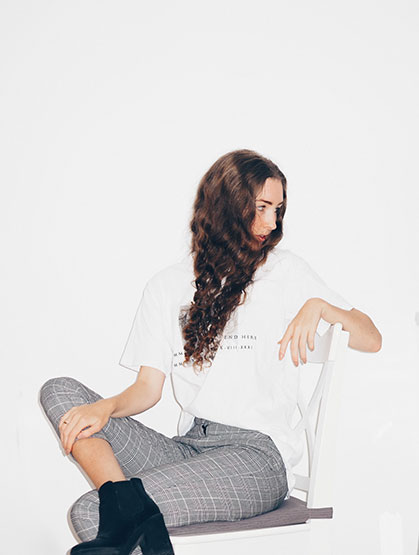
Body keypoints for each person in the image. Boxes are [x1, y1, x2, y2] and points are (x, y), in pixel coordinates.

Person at [40, 149, 382, 555]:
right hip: (189, 449)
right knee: (59, 391)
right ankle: (129, 512)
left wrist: (322, 307)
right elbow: (148, 389)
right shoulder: (167, 285)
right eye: (262, 207)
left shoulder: (285, 272)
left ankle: (126, 514)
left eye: (278, 209)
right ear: (228, 205)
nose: (272, 223)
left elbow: (372, 338)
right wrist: (106, 408)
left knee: (91, 513)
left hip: (256, 458)